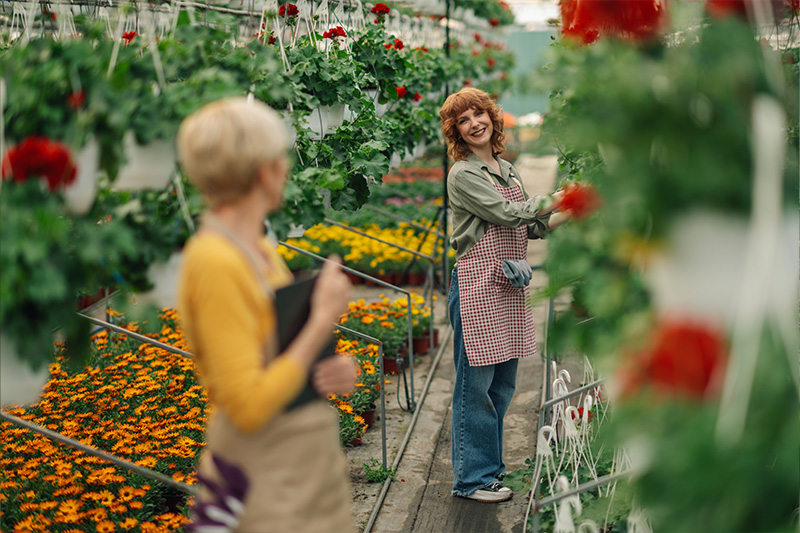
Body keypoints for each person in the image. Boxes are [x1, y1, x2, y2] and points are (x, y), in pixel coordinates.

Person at [177, 97, 358, 531]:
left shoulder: (256, 250)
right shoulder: (215, 262)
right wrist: (320, 322)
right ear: (264, 172)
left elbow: (277, 359)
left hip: (301, 469)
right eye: (281, 158)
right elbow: (248, 406)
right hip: (264, 481)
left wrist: (329, 371)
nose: (286, 168)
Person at [440, 88, 568, 503]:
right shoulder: (463, 174)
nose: (475, 123)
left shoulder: (506, 168)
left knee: (501, 386)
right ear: (456, 131)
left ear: (492, 117)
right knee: (475, 386)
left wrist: (573, 209)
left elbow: (529, 228)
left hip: (507, 284)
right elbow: (507, 213)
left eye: (479, 113)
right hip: (477, 286)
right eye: (464, 120)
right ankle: (472, 479)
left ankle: (489, 470)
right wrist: (555, 198)